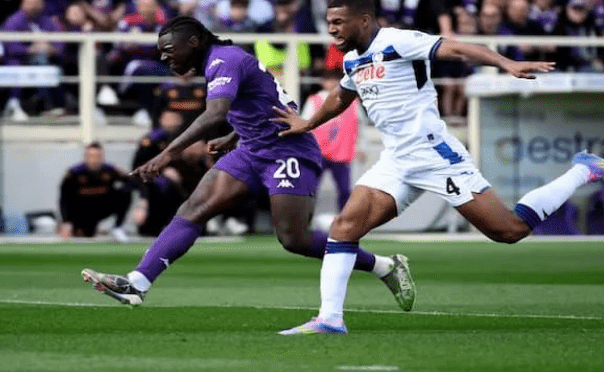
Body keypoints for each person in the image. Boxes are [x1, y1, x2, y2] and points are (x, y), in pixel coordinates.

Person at [274, 0, 604, 335]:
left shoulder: (398, 41)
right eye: (330, 22)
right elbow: (341, 96)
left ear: (364, 21)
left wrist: (505, 62)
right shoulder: (354, 60)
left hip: (435, 155)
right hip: (396, 160)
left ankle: (583, 170)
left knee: (509, 230)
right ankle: (330, 319)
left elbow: (458, 49)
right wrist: (308, 123)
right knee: (344, 227)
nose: (332, 29)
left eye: (338, 22)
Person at [81, 16, 411, 310]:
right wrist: (234, 135)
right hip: (252, 149)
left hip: (288, 150)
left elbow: (215, 113)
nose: (165, 58)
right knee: (193, 209)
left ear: (193, 42)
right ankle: (138, 283)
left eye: (169, 50)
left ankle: (383, 266)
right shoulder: (220, 60)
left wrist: (168, 153)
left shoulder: (224, 60)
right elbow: (264, 102)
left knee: (294, 239)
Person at [301, 70, 360, 212]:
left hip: (342, 154)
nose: (332, 83)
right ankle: (305, 220)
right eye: (328, 80)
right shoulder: (314, 100)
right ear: (323, 82)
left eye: (335, 80)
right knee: (310, 190)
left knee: (345, 191)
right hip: (318, 153)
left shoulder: (352, 102)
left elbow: (360, 125)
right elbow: (304, 125)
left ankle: (344, 221)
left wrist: (360, 146)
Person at [59, 142, 132, 239]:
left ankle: (117, 228)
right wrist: (66, 222)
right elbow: (64, 199)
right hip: (81, 212)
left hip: (101, 208)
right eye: (91, 156)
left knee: (125, 193)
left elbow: (132, 182)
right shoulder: (74, 173)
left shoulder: (110, 170)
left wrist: (142, 203)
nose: (94, 160)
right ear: (85, 157)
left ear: (102, 157)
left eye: (97, 156)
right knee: (84, 236)